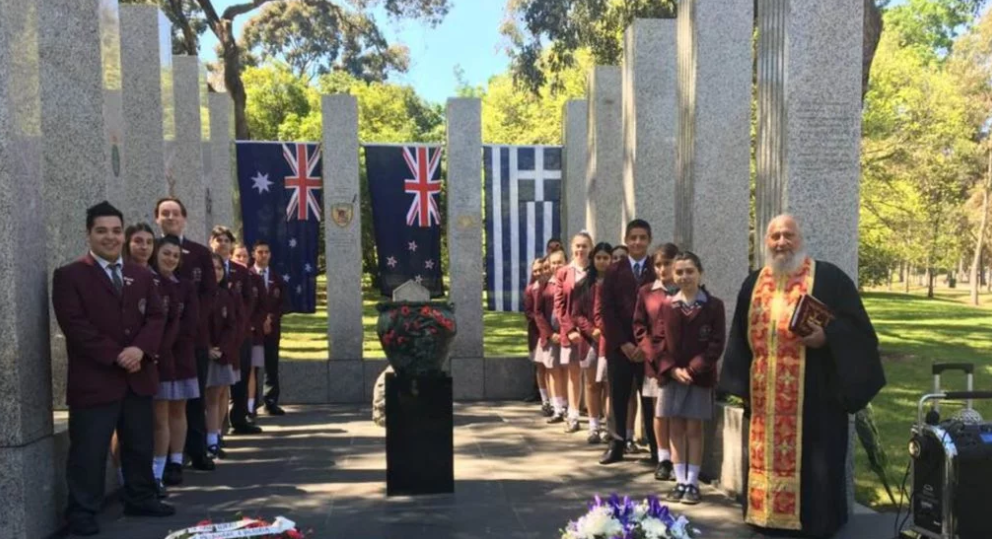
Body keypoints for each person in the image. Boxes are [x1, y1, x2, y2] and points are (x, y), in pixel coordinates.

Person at [719, 214, 885, 538]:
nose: (781, 242)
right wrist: (739, 386)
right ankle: (764, 516)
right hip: (765, 401)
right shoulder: (753, 284)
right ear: (766, 242)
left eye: (788, 235)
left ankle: (815, 523)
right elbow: (739, 336)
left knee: (816, 466)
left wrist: (828, 337)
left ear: (800, 239)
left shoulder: (829, 279)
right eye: (775, 236)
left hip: (816, 398)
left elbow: (860, 333)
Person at [53, 202, 175, 536]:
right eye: (102, 231)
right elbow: (75, 326)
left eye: (116, 231)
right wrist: (117, 354)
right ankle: (82, 512)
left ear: (123, 234)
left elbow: (156, 316)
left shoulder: (142, 274)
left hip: (137, 376)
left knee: (139, 444)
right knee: (89, 452)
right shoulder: (70, 275)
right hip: (95, 380)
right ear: (88, 234)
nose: (110, 237)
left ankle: (140, 497)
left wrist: (139, 349)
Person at [639, 251, 724, 505]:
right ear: (673, 276)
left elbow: (716, 343)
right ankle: (680, 480)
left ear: (700, 273)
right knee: (675, 427)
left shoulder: (713, 305)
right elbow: (658, 341)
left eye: (690, 271)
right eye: (679, 272)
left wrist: (694, 369)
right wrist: (672, 369)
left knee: (694, 429)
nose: (685, 276)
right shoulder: (667, 305)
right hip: (672, 376)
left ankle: (693, 481)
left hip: (699, 377)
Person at [155, 197, 217, 473]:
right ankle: (165, 458)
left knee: (193, 398)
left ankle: (196, 450)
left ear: (184, 218)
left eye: (175, 213)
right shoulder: (151, 249)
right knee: (161, 403)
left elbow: (209, 292)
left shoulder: (200, 252)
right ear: (157, 218)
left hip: (193, 338)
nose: (170, 217)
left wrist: (189, 324)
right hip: (157, 342)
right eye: (165, 213)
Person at [596, 219, 657, 465]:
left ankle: (657, 449)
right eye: (633, 238)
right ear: (626, 240)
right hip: (620, 346)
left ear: (649, 240)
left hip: (648, 349)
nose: (637, 242)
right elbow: (606, 310)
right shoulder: (614, 270)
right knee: (618, 398)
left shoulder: (656, 268)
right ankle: (617, 445)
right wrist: (623, 343)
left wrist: (645, 344)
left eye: (642, 238)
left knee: (650, 399)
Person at [149, 235, 200, 496]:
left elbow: (190, 322)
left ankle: (176, 461)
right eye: (166, 253)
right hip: (155, 358)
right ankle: (156, 472)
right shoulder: (148, 280)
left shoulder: (186, 286)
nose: (170, 259)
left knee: (178, 411)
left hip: (180, 356)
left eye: (175, 256)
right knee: (159, 416)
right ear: (156, 253)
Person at [210, 227, 262, 435]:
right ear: (211, 243)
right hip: (213, 335)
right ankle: (216, 429)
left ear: (231, 245)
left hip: (240, 334)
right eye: (219, 240)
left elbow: (249, 300)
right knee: (217, 385)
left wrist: (240, 324)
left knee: (240, 378)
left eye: (226, 240)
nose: (222, 244)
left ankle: (239, 419)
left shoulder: (240, 271)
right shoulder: (205, 267)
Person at [638, 243, 680, 482]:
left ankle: (678, 459)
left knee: (678, 414)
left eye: (667, 263)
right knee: (660, 411)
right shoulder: (646, 292)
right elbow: (639, 326)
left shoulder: (686, 289)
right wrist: (651, 353)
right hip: (655, 362)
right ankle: (663, 458)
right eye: (658, 265)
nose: (662, 269)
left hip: (680, 362)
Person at [570, 242, 613, 443]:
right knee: (592, 384)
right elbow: (576, 314)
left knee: (608, 385)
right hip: (590, 342)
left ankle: (608, 426)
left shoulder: (617, 283)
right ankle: (593, 426)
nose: (602, 261)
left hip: (611, 341)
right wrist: (590, 330)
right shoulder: (583, 284)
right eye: (599, 258)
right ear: (593, 259)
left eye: (606, 258)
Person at [555, 232, 593, 433]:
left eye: (584, 246)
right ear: (571, 247)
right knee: (574, 374)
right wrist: (569, 329)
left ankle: (595, 419)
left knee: (593, 378)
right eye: (577, 245)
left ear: (590, 247)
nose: (580, 249)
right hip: (571, 334)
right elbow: (559, 305)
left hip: (592, 332)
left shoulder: (595, 271)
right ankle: (573, 415)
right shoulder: (563, 272)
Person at [205, 253, 240, 460]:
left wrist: (222, 348)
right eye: (212, 268)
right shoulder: (199, 294)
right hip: (204, 353)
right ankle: (208, 440)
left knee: (219, 395)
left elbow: (232, 325)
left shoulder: (226, 295)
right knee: (209, 398)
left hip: (222, 353)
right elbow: (196, 325)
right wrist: (207, 347)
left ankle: (215, 436)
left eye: (219, 268)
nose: (216, 272)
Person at [532, 249, 568, 422]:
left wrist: (566, 331)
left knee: (568, 371)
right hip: (551, 336)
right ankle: (557, 407)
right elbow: (537, 312)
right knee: (553, 371)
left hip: (568, 334)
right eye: (553, 263)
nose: (556, 266)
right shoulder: (544, 284)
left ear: (566, 262)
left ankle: (568, 406)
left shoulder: (571, 282)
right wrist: (550, 333)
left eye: (559, 262)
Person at [252, 240, 287, 416]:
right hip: (252, 329)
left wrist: (270, 319)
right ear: (254, 254)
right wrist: (259, 320)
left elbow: (282, 303)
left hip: (272, 328)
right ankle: (251, 403)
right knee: (252, 366)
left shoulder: (277, 277)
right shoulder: (248, 275)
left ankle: (271, 401)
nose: (263, 255)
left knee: (271, 365)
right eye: (260, 252)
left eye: (266, 252)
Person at [232, 244, 267, 418]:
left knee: (250, 369)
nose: (242, 259)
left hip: (251, 332)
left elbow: (262, 306)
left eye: (245, 256)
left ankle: (250, 407)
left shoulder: (256, 278)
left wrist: (252, 324)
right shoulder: (226, 275)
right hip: (230, 333)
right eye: (238, 256)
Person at [524, 257, 553, 417]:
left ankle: (555, 399)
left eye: (541, 270)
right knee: (541, 367)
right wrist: (541, 324)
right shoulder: (531, 289)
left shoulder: (552, 285)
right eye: (535, 271)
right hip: (537, 334)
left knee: (552, 368)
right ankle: (545, 399)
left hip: (553, 332)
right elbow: (529, 312)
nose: (538, 273)